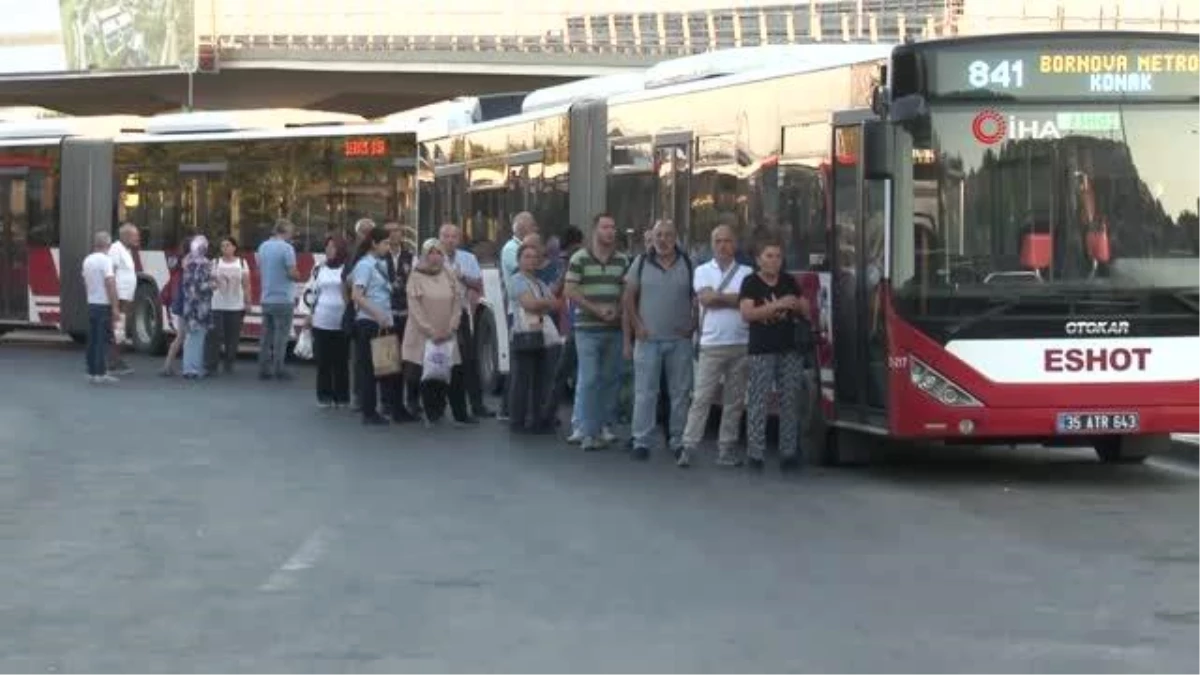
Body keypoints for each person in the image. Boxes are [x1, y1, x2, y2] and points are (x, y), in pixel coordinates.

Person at [679, 224, 752, 468]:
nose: (723, 245)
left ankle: (726, 450)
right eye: (718, 241)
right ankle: (689, 445)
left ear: (735, 244)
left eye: (727, 241)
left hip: (741, 343)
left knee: (734, 401)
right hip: (711, 344)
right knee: (701, 398)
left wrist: (720, 299)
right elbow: (706, 299)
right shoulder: (701, 270)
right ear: (712, 245)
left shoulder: (747, 273)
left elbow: (744, 303)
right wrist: (733, 299)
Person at [623, 219, 696, 463]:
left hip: (679, 341)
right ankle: (641, 440)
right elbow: (628, 299)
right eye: (658, 235)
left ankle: (678, 440)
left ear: (676, 237)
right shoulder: (640, 263)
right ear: (652, 238)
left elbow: (699, 298)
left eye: (667, 235)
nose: (662, 240)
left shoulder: (688, 263)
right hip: (648, 340)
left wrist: (693, 324)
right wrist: (637, 327)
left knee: (680, 393)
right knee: (645, 392)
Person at [739, 239, 808, 472]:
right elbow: (747, 314)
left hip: (790, 348)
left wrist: (796, 305)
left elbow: (805, 309)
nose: (774, 261)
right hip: (762, 349)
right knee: (759, 401)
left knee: (790, 401)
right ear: (759, 259)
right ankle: (755, 454)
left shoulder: (789, 281)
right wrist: (778, 304)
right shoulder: (751, 282)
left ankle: (788, 453)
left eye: (778, 256)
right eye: (769, 256)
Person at [564, 213, 628, 451]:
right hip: (587, 328)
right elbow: (570, 290)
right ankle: (585, 428)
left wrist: (618, 309)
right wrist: (596, 309)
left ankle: (604, 425)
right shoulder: (579, 258)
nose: (610, 231)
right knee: (589, 378)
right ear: (595, 231)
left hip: (613, 327)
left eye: (613, 227)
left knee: (611, 379)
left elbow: (626, 290)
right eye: (605, 227)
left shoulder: (622, 260)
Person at [403, 239, 471, 426]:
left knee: (452, 372)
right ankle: (431, 411)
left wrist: (452, 326)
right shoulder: (416, 276)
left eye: (439, 253)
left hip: (448, 332)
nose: (435, 257)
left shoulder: (449, 274)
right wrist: (430, 331)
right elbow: (414, 307)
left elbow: (457, 302)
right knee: (428, 372)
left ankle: (459, 413)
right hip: (423, 333)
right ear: (424, 255)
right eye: (431, 253)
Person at [507, 242, 562, 434]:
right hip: (524, 334)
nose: (531, 260)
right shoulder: (516, 280)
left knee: (540, 378)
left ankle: (536, 418)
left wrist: (543, 303)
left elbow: (556, 304)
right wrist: (544, 303)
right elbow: (528, 304)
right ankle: (517, 420)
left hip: (541, 335)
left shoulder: (539, 283)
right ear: (519, 260)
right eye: (526, 257)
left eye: (534, 257)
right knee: (522, 378)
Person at [441, 223, 493, 420]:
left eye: (454, 236)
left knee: (468, 359)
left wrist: (462, 277)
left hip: (461, 312)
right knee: (441, 359)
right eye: (446, 236)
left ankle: (477, 404)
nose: (450, 240)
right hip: (439, 314)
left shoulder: (468, 258)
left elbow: (478, 284)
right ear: (440, 238)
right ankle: (438, 403)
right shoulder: (433, 257)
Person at [350, 226, 395, 426]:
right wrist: (376, 312)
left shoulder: (380, 264)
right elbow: (357, 295)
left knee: (384, 367)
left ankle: (380, 407)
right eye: (385, 243)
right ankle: (369, 412)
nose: (388, 247)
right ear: (374, 243)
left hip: (383, 321)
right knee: (369, 368)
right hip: (369, 322)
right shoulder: (365, 266)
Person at [497, 212, 537, 421]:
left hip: (529, 310)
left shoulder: (520, 247)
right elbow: (522, 272)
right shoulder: (511, 249)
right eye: (532, 226)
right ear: (522, 228)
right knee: (518, 362)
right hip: (518, 310)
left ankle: (522, 407)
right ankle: (508, 408)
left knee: (526, 362)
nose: (536, 229)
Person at [308, 235, 352, 408]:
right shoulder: (319, 268)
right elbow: (313, 291)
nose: (329, 250)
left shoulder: (347, 268)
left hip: (341, 320)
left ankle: (342, 396)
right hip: (321, 319)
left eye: (333, 246)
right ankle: (324, 395)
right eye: (327, 246)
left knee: (341, 361)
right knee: (323, 361)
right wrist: (309, 314)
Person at [381, 221, 418, 421]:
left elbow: (415, 282)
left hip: (406, 314)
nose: (393, 235)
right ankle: (387, 402)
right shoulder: (379, 257)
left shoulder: (410, 257)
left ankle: (410, 401)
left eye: (396, 231)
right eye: (388, 232)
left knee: (408, 360)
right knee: (387, 360)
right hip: (386, 314)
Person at [256, 219, 301, 380]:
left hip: (266, 297)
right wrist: (298, 275)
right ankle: (279, 368)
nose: (292, 236)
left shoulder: (263, 247)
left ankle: (263, 367)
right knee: (281, 336)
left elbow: (259, 268)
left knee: (266, 335)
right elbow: (291, 272)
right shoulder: (287, 249)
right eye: (291, 232)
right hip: (283, 298)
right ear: (285, 231)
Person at [206, 236, 250, 375]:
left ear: (234, 247)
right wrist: (212, 285)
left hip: (235, 305)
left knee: (233, 337)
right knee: (215, 335)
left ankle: (229, 363)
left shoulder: (242, 263)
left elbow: (246, 284)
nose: (225, 248)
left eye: (228, 245)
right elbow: (210, 281)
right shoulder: (215, 262)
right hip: (217, 304)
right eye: (223, 246)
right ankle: (212, 364)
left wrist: (247, 302)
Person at [82, 230, 120, 384]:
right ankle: (100, 372)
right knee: (102, 339)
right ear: (107, 244)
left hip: (92, 303)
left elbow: (85, 282)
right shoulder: (106, 261)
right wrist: (115, 306)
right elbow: (110, 283)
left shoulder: (87, 260)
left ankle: (91, 370)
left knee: (92, 339)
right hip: (103, 304)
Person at [179, 236, 215, 379]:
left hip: (189, 304)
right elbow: (200, 286)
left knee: (190, 337)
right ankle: (195, 368)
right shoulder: (205, 264)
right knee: (198, 338)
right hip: (201, 305)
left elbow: (189, 285)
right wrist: (213, 285)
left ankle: (188, 368)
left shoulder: (187, 262)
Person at [107, 223, 139, 375]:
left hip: (126, 297)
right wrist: (113, 300)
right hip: (119, 297)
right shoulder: (116, 249)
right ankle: (113, 361)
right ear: (125, 236)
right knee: (118, 328)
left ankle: (116, 359)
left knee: (121, 328)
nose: (137, 238)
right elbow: (111, 273)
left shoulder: (127, 250)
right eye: (134, 235)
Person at [159, 235, 192, 377]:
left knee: (182, 335)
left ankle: (168, 365)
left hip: (178, 300)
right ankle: (177, 366)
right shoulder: (188, 261)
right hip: (187, 301)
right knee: (184, 335)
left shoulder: (177, 259)